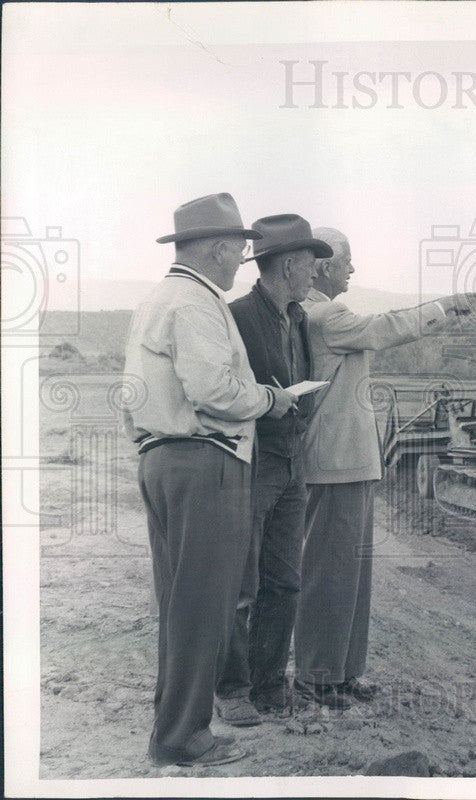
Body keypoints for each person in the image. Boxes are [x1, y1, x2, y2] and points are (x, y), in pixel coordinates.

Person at [122, 193, 296, 766]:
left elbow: (133, 399)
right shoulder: (196, 304)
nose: (242, 259)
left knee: (178, 602)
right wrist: (271, 399)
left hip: (162, 458)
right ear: (220, 248)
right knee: (204, 606)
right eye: (240, 249)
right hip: (205, 462)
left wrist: (154, 446)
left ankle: (172, 721)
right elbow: (215, 391)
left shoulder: (157, 300)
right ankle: (181, 738)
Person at [292, 227, 468, 707]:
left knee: (348, 573)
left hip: (346, 463)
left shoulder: (312, 312)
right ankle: (316, 676)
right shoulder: (325, 313)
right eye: (348, 262)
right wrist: (441, 308)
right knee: (330, 571)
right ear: (325, 267)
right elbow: (385, 328)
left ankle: (342, 672)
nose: (353, 270)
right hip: (336, 463)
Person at [214, 215, 333, 726]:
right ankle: (231, 690)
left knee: (283, 581)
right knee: (241, 582)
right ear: (288, 265)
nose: (315, 275)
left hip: (290, 463)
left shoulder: (299, 317)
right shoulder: (236, 316)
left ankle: (266, 686)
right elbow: (222, 392)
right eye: (310, 266)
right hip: (252, 463)